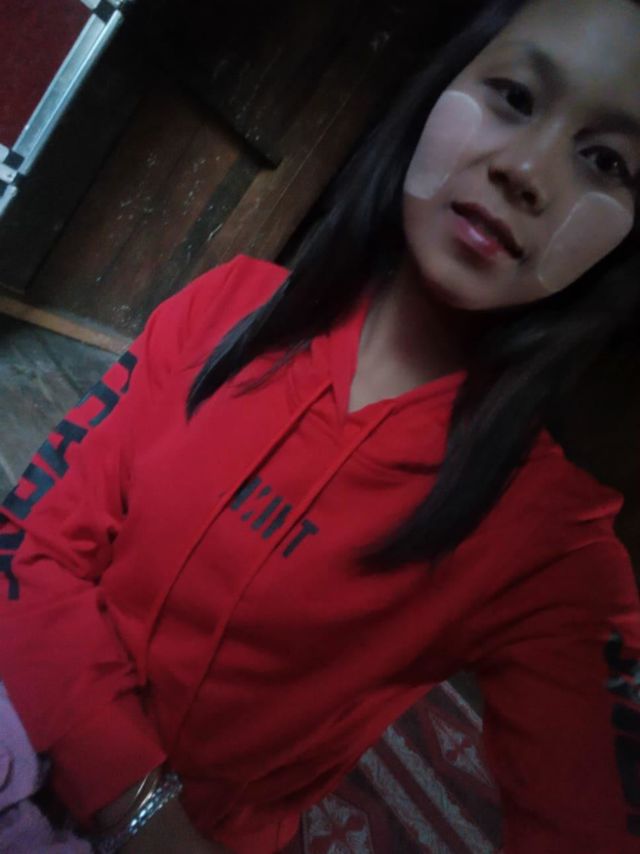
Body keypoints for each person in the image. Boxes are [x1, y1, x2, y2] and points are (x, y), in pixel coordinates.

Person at [1, 0, 639, 850]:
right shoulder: (228, 305)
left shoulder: (552, 544)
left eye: (606, 161)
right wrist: (141, 810)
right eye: (516, 97)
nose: (527, 171)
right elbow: (33, 551)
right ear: (435, 91)